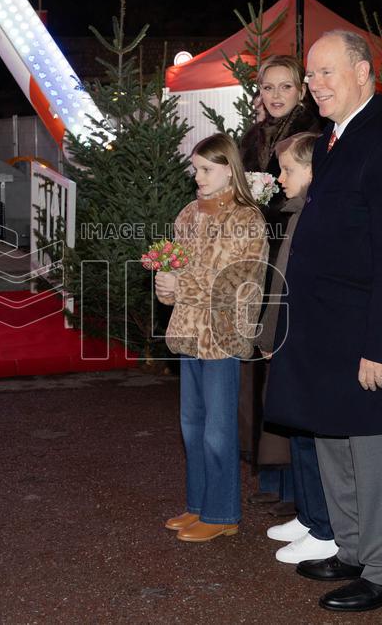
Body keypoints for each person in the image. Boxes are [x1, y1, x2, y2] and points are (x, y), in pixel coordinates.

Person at [264, 30, 382, 612]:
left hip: (366, 334)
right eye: (311, 75)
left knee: (376, 452)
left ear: (364, 74)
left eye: (326, 73)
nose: (315, 85)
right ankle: (354, 548)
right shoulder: (335, 139)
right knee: (336, 439)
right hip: (329, 333)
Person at [155, 133, 268, 542]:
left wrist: (179, 285)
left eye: (206, 169)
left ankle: (223, 514)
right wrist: (165, 286)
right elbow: (177, 265)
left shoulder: (246, 218)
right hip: (189, 332)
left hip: (221, 335)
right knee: (192, 424)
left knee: (219, 428)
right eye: (195, 169)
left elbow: (233, 283)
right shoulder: (188, 214)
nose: (197, 177)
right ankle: (198, 505)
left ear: (229, 169)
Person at [238, 56, 318, 514]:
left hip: (290, 251)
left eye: (284, 87)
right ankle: (268, 470)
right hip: (256, 258)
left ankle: (293, 482)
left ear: (299, 91)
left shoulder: (309, 134)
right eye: (268, 87)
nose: (275, 95)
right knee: (258, 365)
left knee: (284, 359)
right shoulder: (253, 136)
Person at [254, 132, 338, 565]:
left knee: (312, 437)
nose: (280, 178)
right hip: (289, 340)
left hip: (306, 343)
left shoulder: (315, 216)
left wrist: (279, 338)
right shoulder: (296, 212)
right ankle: (310, 517)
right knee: (299, 435)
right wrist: (269, 337)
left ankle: (326, 527)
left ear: (313, 170)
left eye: (288, 170)